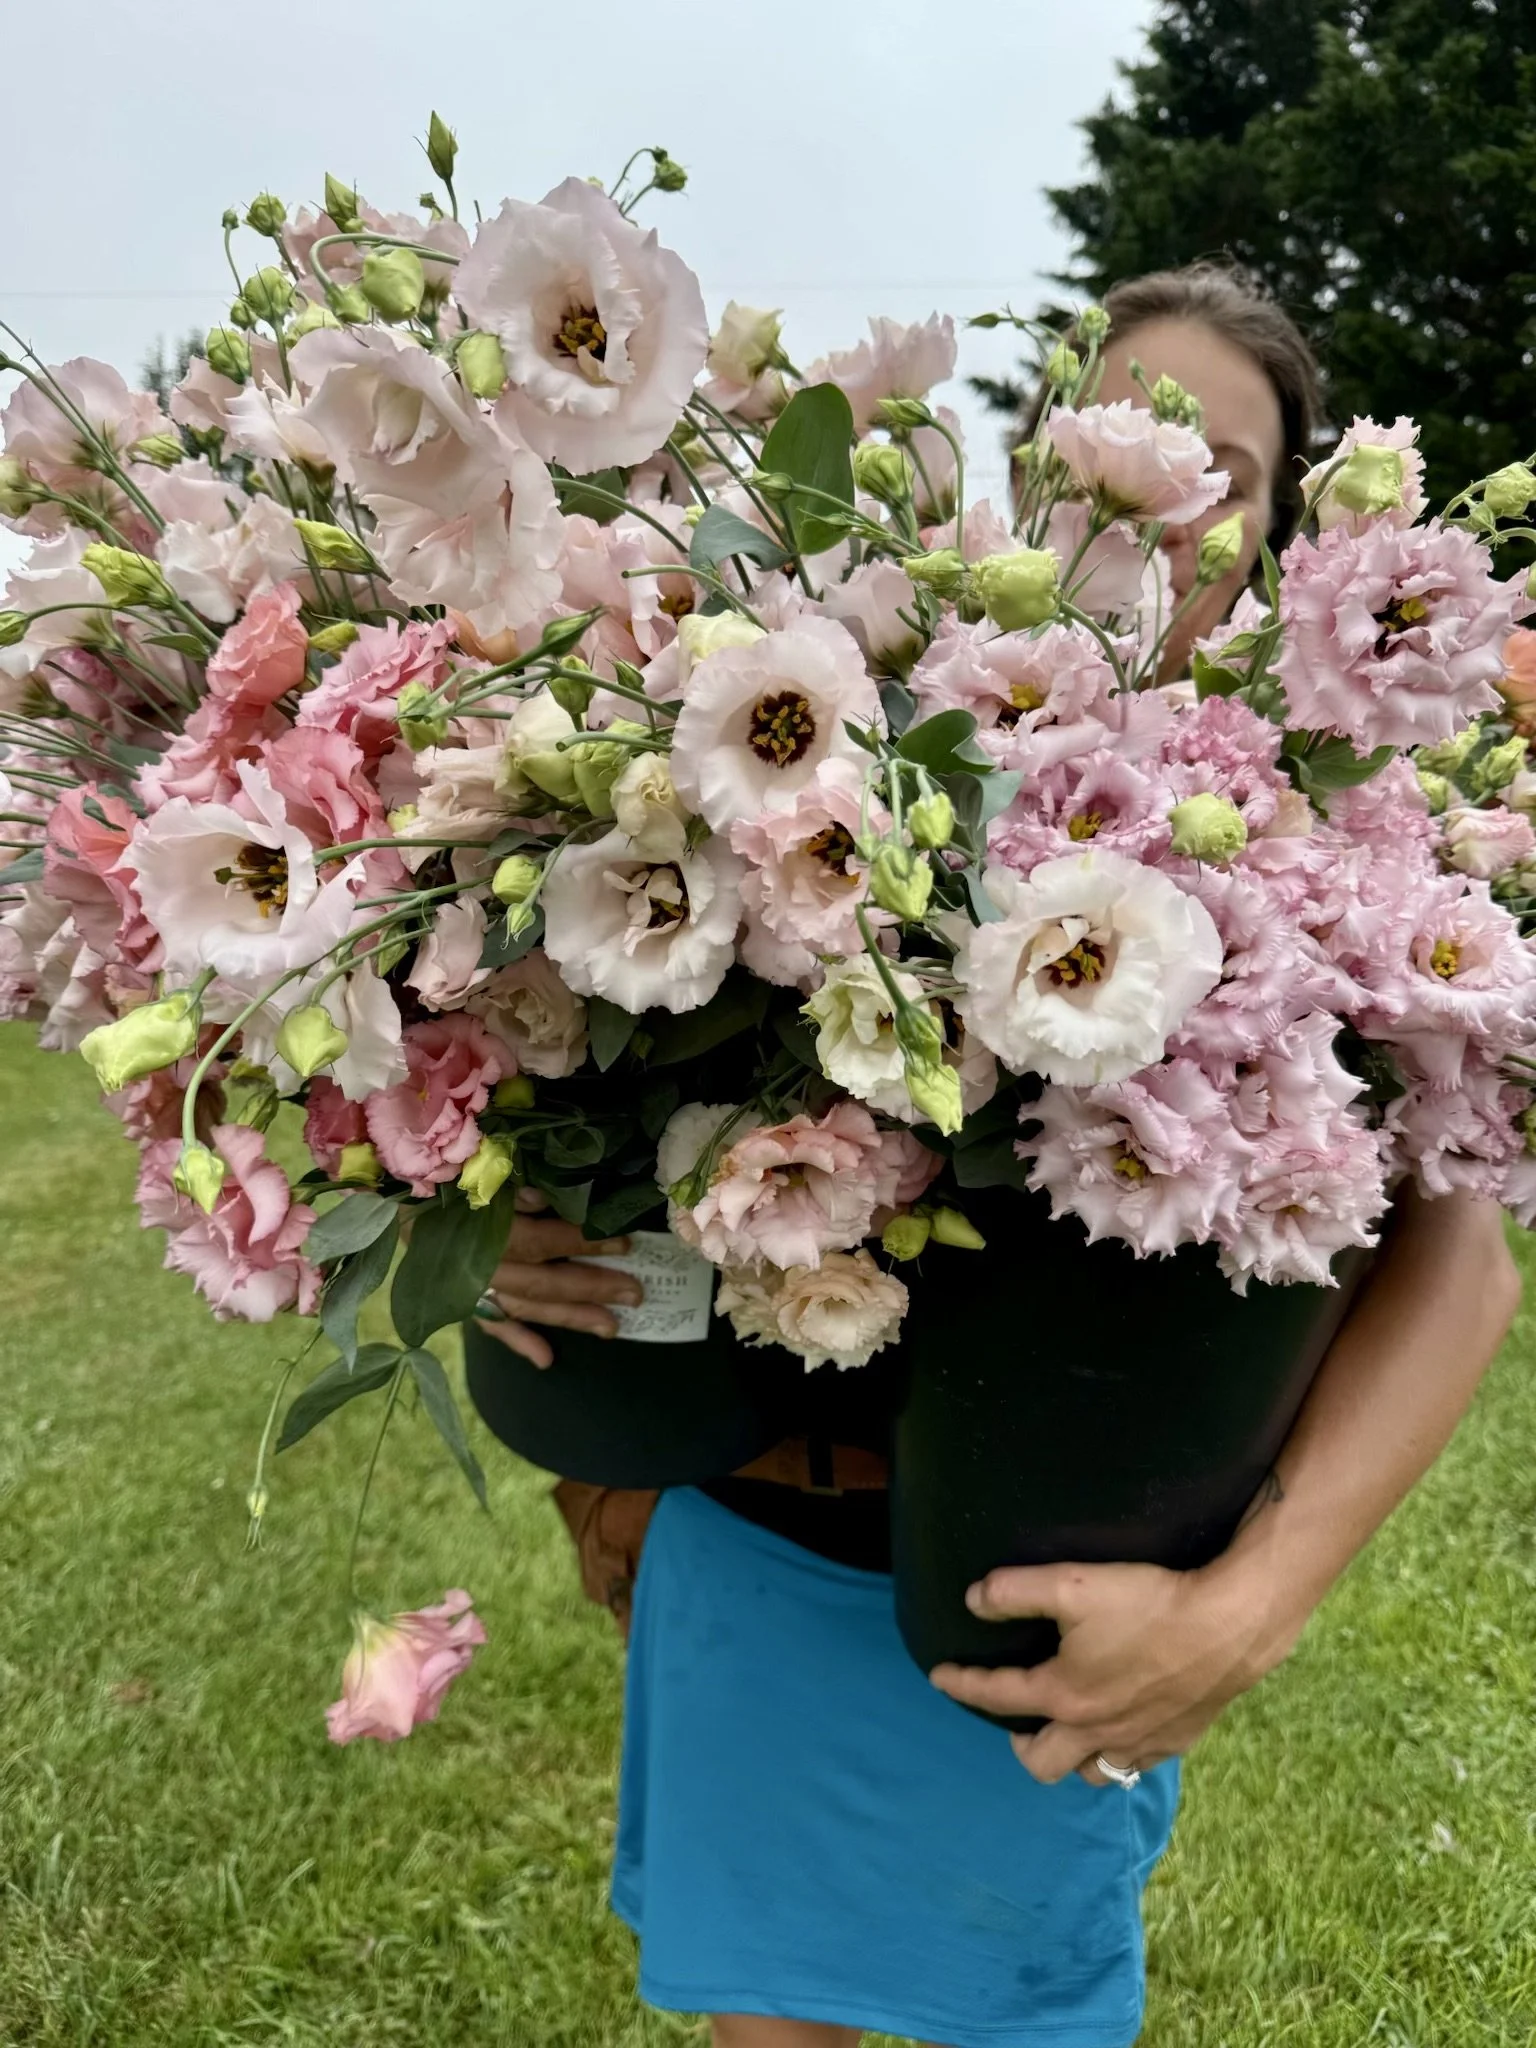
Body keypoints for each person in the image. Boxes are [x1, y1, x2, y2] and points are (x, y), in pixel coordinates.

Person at [473, 265, 1525, 2048]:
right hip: (741, 1548)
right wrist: (481, 1229)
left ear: (1287, 541)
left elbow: (1462, 1259)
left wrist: (1253, 1609)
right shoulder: (853, 711)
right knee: (762, 2028)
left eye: (1228, 473)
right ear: (1037, 468)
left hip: (1039, 1600)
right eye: (1128, 427)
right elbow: (551, 1021)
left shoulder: (1359, 824)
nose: (1161, 491)